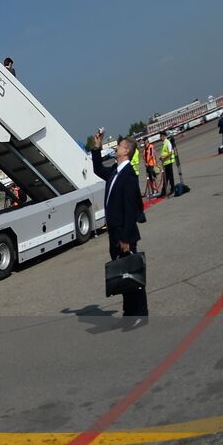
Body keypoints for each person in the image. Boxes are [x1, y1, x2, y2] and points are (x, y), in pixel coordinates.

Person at [91, 131, 147, 319]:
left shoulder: (128, 175)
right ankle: (129, 312)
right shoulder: (115, 171)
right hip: (115, 235)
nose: (116, 147)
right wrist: (96, 147)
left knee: (133, 274)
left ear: (126, 152)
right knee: (123, 275)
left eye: (120, 146)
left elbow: (131, 210)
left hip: (125, 236)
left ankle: (140, 313)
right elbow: (98, 169)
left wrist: (125, 238)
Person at [159, 132, 176, 197]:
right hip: (166, 162)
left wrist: (163, 157)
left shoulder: (168, 142)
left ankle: (172, 190)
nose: (160, 138)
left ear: (164, 136)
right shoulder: (164, 143)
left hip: (168, 162)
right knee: (166, 178)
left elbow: (170, 153)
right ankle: (164, 192)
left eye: (161, 136)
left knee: (170, 177)